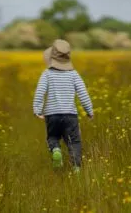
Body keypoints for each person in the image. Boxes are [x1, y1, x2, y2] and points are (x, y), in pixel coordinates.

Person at [33, 39, 94, 173]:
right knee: (74, 141)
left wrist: (37, 110)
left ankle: (55, 149)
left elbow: (40, 92)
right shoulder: (73, 74)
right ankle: (76, 168)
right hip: (70, 115)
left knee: (53, 137)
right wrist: (89, 110)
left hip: (51, 115)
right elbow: (83, 93)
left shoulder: (47, 74)